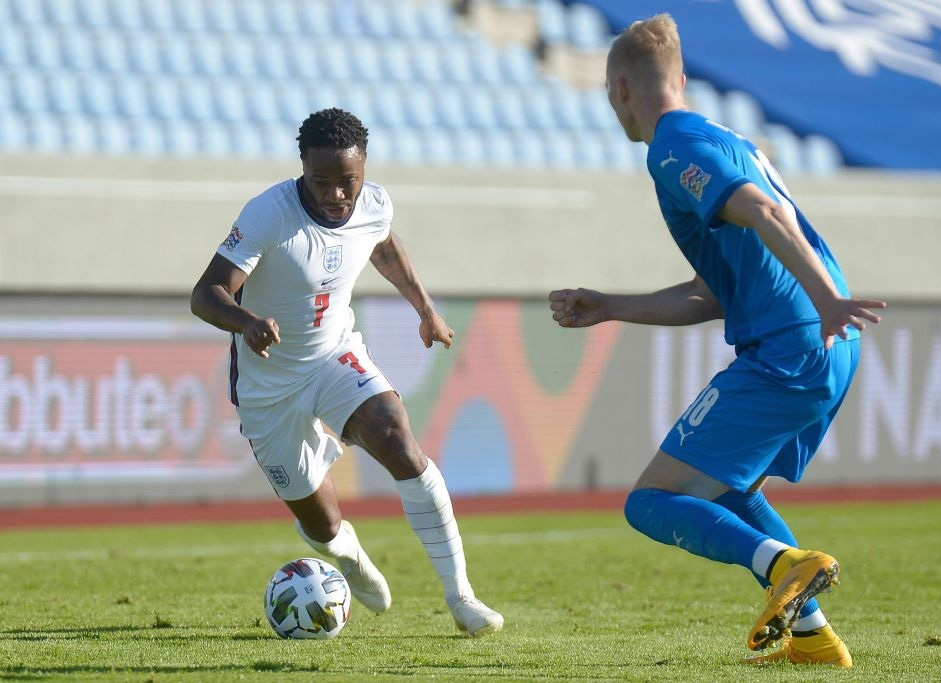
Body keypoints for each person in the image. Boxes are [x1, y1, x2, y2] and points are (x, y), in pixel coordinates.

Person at [548, 14, 885, 667]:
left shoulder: (672, 145)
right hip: (823, 342)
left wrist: (823, 299)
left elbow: (764, 211)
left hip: (797, 337)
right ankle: (813, 637)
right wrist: (610, 306)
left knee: (649, 502)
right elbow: (713, 291)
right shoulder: (724, 137)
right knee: (728, 488)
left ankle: (787, 562)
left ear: (620, 89)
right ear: (679, 78)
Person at [190, 108, 503, 637]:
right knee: (322, 524)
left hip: (335, 357)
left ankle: (462, 598)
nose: (336, 195)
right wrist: (246, 322)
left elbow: (383, 243)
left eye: (347, 182)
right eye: (322, 182)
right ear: (302, 170)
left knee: (398, 439)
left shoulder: (374, 203)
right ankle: (352, 558)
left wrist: (425, 309)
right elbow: (206, 293)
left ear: (364, 170)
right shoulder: (269, 213)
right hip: (268, 388)